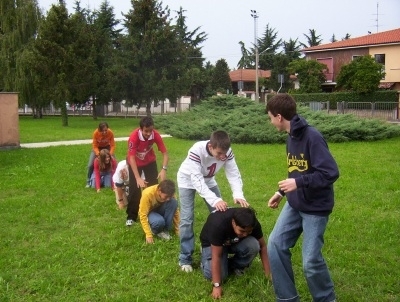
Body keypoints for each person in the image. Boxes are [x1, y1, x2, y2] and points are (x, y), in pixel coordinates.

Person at [265, 93, 339, 302]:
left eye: (270, 117)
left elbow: (330, 173)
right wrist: (281, 193)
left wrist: (297, 183)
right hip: (295, 203)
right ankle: (287, 298)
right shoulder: (291, 137)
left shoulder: (312, 137)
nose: (270, 122)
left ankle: (327, 299)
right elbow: (297, 171)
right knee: (275, 245)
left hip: (315, 207)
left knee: (311, 262)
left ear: (279, 117)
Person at [177, 130, 249, 273]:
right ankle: (185, 258)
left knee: (220, 214)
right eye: (219, 154)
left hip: (209, 181)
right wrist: (215, 200)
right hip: (187, 180)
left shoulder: (226, 152)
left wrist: (238, 193)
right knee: (187, 219)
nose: (222, 157)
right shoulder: (196, 151)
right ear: (210, 147)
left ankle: (217, 247)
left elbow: (233, 173)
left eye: (224, 154)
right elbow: (197, 180)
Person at [200, 207, 270, 299]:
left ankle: (234, 266)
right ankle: (205, 262)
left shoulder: (252, 223)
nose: (245, 234)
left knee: (254, 245)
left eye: (249, 232)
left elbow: (263, 246)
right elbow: (216, 256)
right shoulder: (218, 224)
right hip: (212, 244)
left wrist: (268, 273)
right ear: (233, 222)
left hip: (232, 241)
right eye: (242, 231)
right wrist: (217, 286)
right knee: (218, 276)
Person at [125, 116, 169, 226]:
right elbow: (131, 158)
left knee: (154, 187)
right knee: (134, 188)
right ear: (141, 129)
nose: (149, 133)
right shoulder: (134, 137)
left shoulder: (155, 135)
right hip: (135, 163)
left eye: (151, 130)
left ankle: (152, 213)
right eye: (146, 131)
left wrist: (163, 169)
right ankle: (131, 216)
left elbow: (165, 153)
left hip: (149, 162)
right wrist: (138, 178)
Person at [138, 179, 179, 244]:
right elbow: (142, 215)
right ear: (159, 190)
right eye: (166, 196)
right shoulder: (147, 194)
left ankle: (165, 230)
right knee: (159, 222)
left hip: (159, 210)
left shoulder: (169, 193)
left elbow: (175, 211)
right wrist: (148, 235)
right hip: (150, 213)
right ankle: (155, 230)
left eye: (169, 196)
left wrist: (178, 230)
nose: (168, 199)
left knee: (173, 202)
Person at [86, 122, 116, 188]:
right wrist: (98, 154)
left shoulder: (110, 133)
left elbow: (113, 145)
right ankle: (88, 181)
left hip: (107, 147)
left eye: (106, 130)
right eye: (103, 131)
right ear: (99, 130)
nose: (105, 132)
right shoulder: (96, 133)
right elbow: (94, 145)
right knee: (90, 165)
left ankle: (115, 180)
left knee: (114, 161)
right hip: (98, 148)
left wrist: (110, 154)